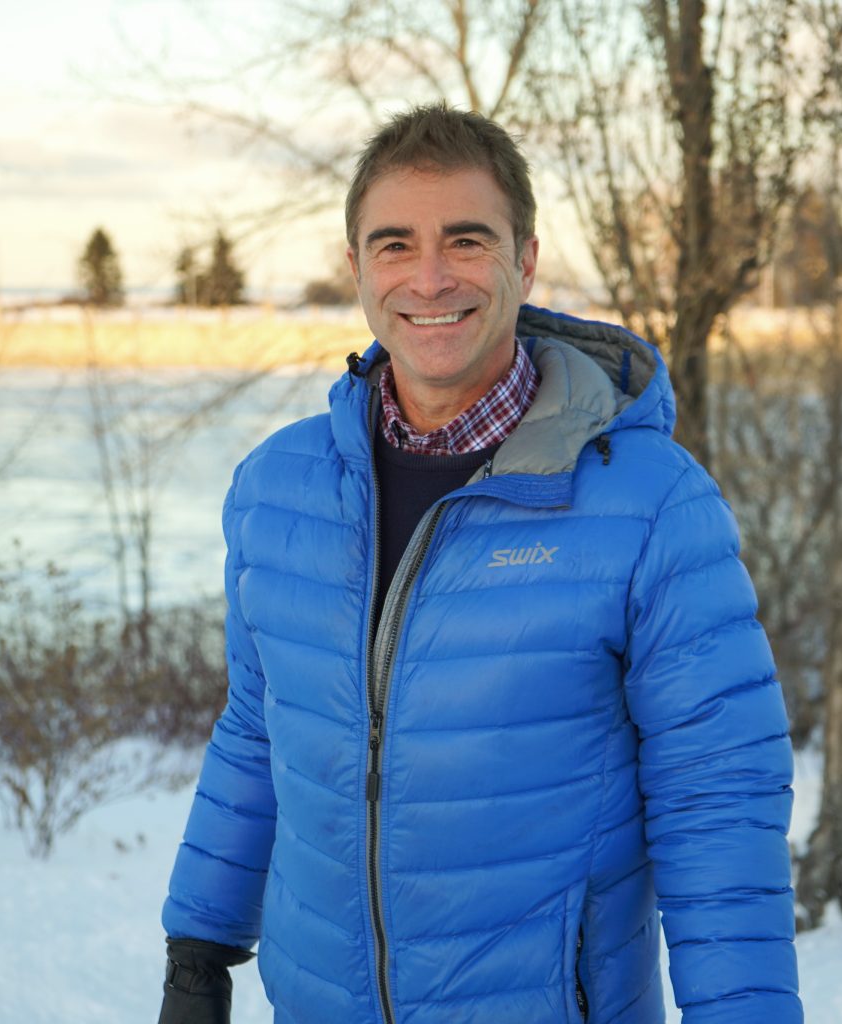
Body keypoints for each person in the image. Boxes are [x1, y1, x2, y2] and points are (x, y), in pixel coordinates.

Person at [158, 103, 802, 1024]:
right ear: (356, 267)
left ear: (525, 260)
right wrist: (198, 949)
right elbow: (259, 730)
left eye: (466, 239)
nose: (429, 278)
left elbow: (719, 803)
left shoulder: (652, 506)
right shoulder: (277, 490)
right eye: (395, 244)